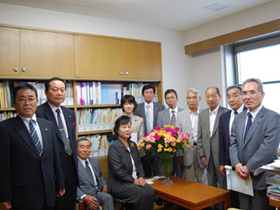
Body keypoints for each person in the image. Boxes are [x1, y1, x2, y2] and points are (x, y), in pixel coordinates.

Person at [0, 84, 65, 210]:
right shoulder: (5, 128)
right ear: (14, 103)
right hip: (23, 194)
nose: (27, 103)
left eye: (31, 99)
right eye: (22, 99)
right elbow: (3, 166)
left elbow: (55, 157)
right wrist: (4, 195)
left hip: (48, 191)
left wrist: (60, 182)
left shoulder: (48, 125)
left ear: (37, 101)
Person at [229, 78, 280, 210]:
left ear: (262, 95)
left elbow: (268, 148)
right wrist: (237, 164)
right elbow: (233, 142)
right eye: (244, 93)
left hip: (261, 178)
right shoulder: (239, 117)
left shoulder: (272, 117)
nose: (248, 97)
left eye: (252, 92)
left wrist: (249, 167)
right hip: (241, 177)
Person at [36, 77, 78, 210]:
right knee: (55, 204)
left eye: (62, 90)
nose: (59, 93)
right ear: (46, 92)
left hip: (70, 163)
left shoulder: (69, 113)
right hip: (52, 166)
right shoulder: (37, 113)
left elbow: (71, 140)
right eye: (55, 90)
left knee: (69, 202)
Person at [107, 115, 155, 210]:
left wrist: (141, 177)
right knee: (141, 194)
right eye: (123, 127)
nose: (127, 130)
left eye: (129, 127)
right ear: (117, 130)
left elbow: (139, 164)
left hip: (134, 181)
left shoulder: (132, 144)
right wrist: (133, 180)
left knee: (150, 191)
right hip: (120, 184)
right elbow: (118, 171)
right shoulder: (114, 147)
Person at [197, 87, 229, 210]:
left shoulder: (226, 113)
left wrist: (224, 159)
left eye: (213, 96)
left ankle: (224, 207)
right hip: (207, 157)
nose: (210, 99)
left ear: (219, 97)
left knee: (223, 186)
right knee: (210, 186)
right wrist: (202, 155)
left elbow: (228, 139)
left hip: (221, 158)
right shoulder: (203, 114)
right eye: (208, 96)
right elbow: (200, 137)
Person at [219, 85, 246, 208]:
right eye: (229, 96)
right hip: (229, 163)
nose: (231, 99)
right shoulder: (224, 116)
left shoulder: (248, 113)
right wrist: (222, 162)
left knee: (246, 196)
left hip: (245, 163)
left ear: (242, 96)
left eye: (235, 95)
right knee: (233, 194)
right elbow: (222, 142)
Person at [134, 84, 165, 177]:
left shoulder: (160, 107)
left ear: (154, 94)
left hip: (157, 143)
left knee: (158, 171)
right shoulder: (137, 108)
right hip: (143, 144)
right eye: (146, 93)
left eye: (151, 92)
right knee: (146, 171)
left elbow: (162, 125)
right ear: (142, 95)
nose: (149, 95)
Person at [176, 87, 206, 183]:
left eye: (194, 97)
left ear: (199, 99)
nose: (191, 100)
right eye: (189, 98)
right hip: (187, 151)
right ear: (186, 99)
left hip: (201, 151)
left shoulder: (205, 113)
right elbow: (178, 135)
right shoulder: (180, 115)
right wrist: (179, 154)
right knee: (189, 181)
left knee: (203, 181)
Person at [76, 137, 114, 210]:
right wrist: (84, 197)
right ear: (76, 149)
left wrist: (104, 185)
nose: (85, 150)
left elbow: (100, 176)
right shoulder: (73, 165)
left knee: (108, 197)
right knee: (94, 204)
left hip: (97, 192)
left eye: (88, 147)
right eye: (82, 147)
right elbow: (71, 186)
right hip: (86, 194)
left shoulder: (94, 162)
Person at [156, 89, 184, 178]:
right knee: (168, 174)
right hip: (166, 151)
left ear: (177, 99)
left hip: (180, 150)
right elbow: (158, 132)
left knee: (181, 176)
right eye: (167, 98)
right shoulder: (161, 114)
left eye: (172, 97)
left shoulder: (184, 113)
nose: (170, 100)